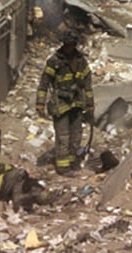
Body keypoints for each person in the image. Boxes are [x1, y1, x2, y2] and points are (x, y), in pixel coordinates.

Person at [36, 30, 95, 175]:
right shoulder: (55, 61)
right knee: (63, 136)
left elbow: (87, 83)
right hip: (60, 103)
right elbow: (44, 83)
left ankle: (73, 161)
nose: (70, 47)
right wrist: (40, 103)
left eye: (72, 45)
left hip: (76, 103)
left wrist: (90, 103)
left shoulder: (80, 60)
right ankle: (62, 167)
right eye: (68, 45)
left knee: (76, 135)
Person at [0, 123, 53, 211]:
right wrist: (9, 168)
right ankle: (18, 200)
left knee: (27, 183)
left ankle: (39, 197)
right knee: (19, 174)